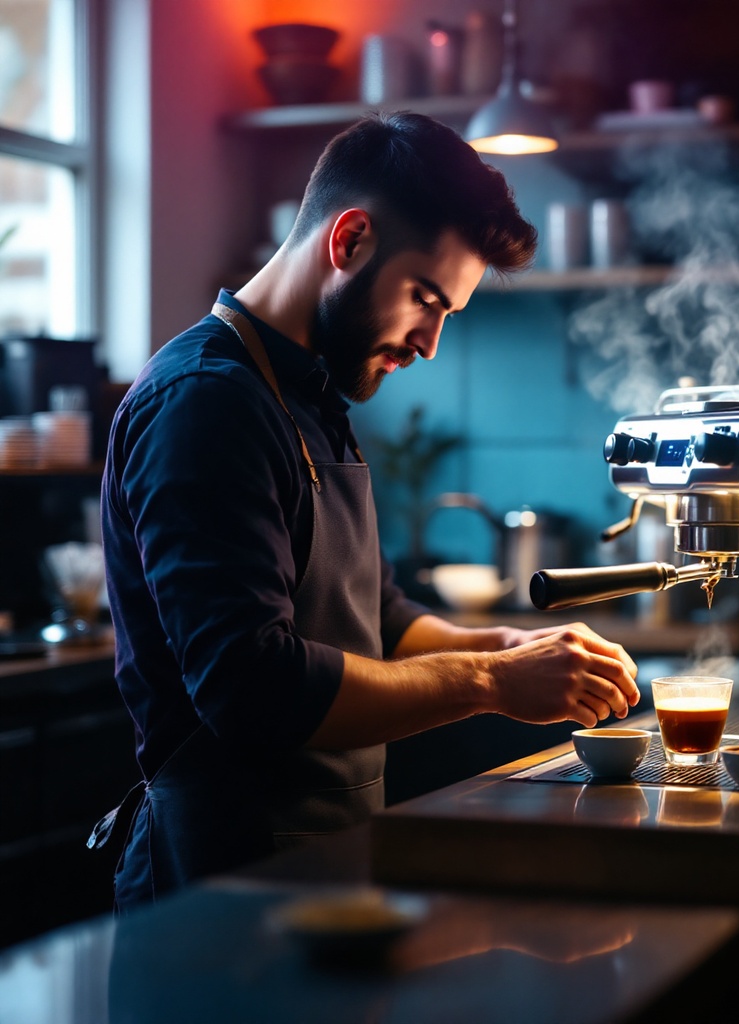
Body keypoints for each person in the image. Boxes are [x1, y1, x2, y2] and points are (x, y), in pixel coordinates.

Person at [96, 112, 639, 910]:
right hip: (216, 881)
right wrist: (492, 680)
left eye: (448, 312)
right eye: (426, 299)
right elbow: (253, 686)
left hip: (325, 869)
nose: (430, 344)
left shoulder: (313, 393)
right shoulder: (205, 403)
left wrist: (510, 644)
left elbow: (375, 617)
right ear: (349, 240)